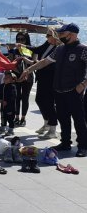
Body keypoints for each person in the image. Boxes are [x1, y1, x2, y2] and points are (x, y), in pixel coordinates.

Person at [21, 23, 87, 157]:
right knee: (63, 118)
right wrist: (29, 69)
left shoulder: (83, 49)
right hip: (58, 89)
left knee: (79, 119)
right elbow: (45, 61)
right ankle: (65, 143)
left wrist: (83, 84)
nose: (60, 36)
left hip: (74, 90)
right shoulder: (60, 49)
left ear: (72, 34)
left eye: (63, 33)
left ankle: (83, 146)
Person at [22, 28, 60, 138]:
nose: (46, 37)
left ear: (55, 36)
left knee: (49, 102)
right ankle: (46, 123)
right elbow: (36, 49)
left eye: (48, 35)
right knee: (39, 99)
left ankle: (53, 129)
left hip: (51, 78)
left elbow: (48, 63)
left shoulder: (58, 48)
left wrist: (34, 65)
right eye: (46, 35)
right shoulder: (47, 44)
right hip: (42, 77)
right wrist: (23, 46)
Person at [9, 31, 33, 126]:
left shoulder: (31, 50)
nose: (20, 41)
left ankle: (23, 118)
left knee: (25, 97)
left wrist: (24, 73)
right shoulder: (14, 51)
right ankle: (16, 117)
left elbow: (33, 62)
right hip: (16, 76)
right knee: (16, 97)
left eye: (22, 39)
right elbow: (10, 63)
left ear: (26, 40)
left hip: (28, 76)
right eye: (18, 39)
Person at [0, 71, 18, 137]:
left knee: (10, 118)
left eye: (8, 78)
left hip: (10, 107)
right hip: (3, 106)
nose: (5, 78)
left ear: (12, 80)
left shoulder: (13, 87)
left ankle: (11, 130)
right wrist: (0, 100)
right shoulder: (1, 86)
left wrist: (7, 101)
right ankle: (3, 128)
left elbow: (13, 96)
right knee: (3, 117)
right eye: (5, 77)